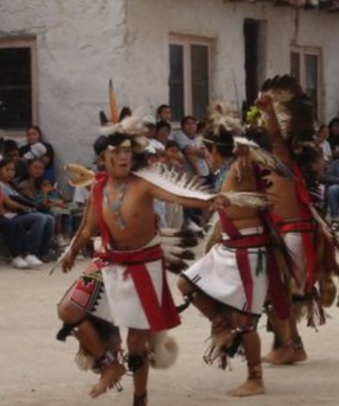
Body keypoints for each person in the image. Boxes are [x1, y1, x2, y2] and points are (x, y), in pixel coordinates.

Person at [56, 93, 230, 406]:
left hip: (144, 266)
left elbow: (176, 195)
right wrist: (71, 251)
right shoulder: (97, 188)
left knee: (137, 341)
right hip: (108, 262)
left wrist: (208, 200)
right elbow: (87, 228)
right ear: (103, 160)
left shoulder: (143, 183)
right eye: (116, 153)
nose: (123, 157)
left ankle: (140, 398)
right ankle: (110, 365)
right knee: (69, 310)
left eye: (126, 151)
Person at [177, 102, 286, 396]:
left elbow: (268, 150)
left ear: (217, 149)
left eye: (206, 149)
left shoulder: (242, 166)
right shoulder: (226, 170)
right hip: (227, 249)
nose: (202, 154)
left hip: (250, 253)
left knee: (245, 321)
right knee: (186, 282)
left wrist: (251, 135)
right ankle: (219, 324)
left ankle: (255, 378)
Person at [253, 75, 339, 365]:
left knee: (278, 295)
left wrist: (267, 110)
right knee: (281, 295)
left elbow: (276, 135)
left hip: (294, 235)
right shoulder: (272, 159)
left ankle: (287, 346)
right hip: (290, 234)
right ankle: (292, 345)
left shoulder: (280, 156)